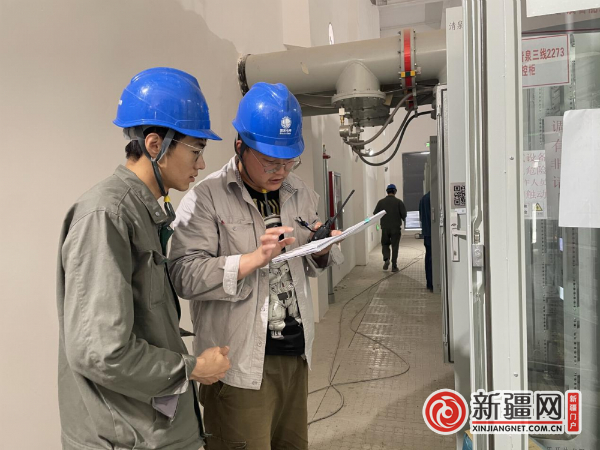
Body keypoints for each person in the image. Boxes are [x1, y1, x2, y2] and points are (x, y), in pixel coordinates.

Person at [56, 67, 231, 450]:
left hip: (150, 426)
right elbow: (101, 352)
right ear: (155, 145)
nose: (201, 165)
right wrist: (193, 368)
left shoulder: (143, 212)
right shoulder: (108, 215)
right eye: (196, 150)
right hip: (127, 436)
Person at [169, 82, 344, 450]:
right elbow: (184, 274)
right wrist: (251, 260)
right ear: (240, 146)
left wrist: (321, 250)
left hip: (296, 356)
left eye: (289, 160)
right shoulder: (206, 198)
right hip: (239, 364)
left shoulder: (300, 191)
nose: (281, 170)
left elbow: (310, 264)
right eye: (270, 161)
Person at [373, 184, 407, 272]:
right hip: (396, 228)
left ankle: (386, 259)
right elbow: (404, 215)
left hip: (385, 228)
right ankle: (394, 266)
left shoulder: (381, 202)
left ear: (387, 192)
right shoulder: (399, 202)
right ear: (395, 191)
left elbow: (375, 213)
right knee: (395, 246)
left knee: (385, 244)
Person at [419, 191, 433, 291]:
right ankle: (433, 282)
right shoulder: (433, 198)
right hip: (433, 234)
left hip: (427, 233)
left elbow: (421, 217)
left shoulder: (423, 198)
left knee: (428, 257)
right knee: (432, 258)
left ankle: (429, 282)